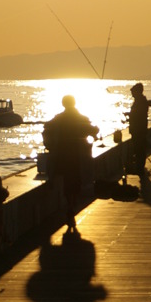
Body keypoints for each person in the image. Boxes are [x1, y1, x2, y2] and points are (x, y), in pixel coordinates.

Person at [43, 95, 99, 233]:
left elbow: (47, 129)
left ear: (63, 104)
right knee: (76, 181)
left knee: (68, 182)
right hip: (79, 157)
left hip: (63, 156)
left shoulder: (58, 119)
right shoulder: (82, 118)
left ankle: (70, 205)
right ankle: (72, 206)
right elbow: (93, 131)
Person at [128, 83, 150, 177]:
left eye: (133, 92)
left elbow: (138, 115)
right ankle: (139, 168)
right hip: (139, 128)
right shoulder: (141, 100)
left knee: (139, 149)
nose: (132, 93)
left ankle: (140, 169)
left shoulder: (140, 101)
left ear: (137, 92)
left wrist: (130, 116)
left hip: (138, 129)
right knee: (139, 149)